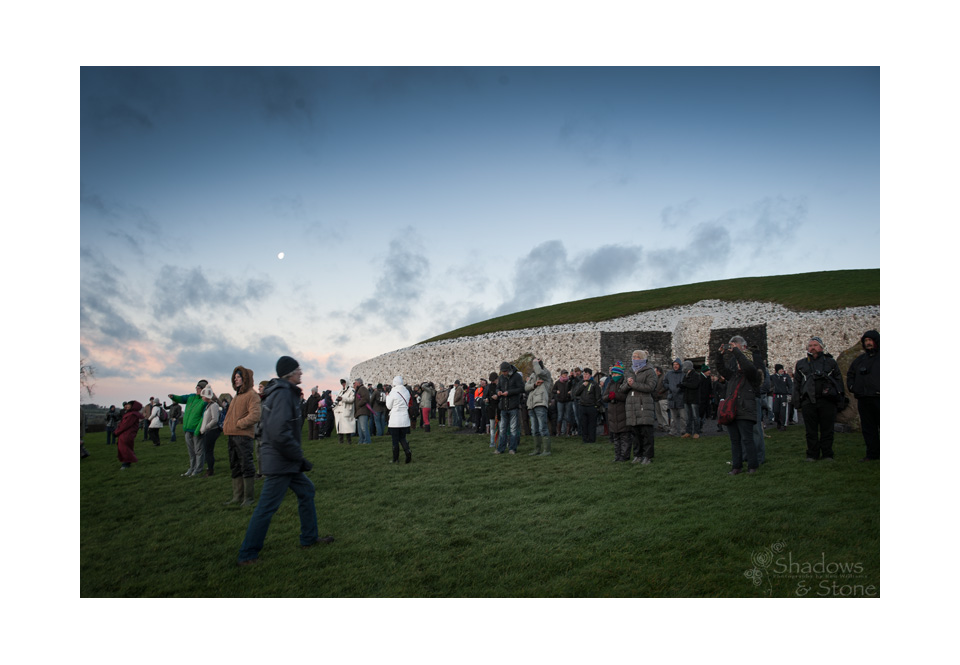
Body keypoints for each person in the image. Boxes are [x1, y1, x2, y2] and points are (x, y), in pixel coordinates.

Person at [237, 356, 334, 565]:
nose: (301, 372)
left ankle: (309, 537)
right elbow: (278, 432)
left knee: (307, 491)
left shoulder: (284, 392)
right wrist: (298, 457)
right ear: (289, 374)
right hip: (280, 461)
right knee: (266, 507)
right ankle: (247, 553)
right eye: (298, 369)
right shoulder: (282, 394)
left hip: (285, 460)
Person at [793, 336, 845, 462]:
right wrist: (797, 401)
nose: (813, 348)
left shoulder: (831, 363)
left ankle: (827, 454)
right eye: (810, 346)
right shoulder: (801, 364)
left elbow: (839, 381)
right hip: (808, 401)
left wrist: (840, 399)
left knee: (827, 429)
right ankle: (812, 454)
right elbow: (797, 384)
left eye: (815, 345)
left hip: (827, 401)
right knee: (810, 430)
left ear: (821, 347)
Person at [716, 336, 763, 475]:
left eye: (740, 362)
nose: (738, 364)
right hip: (733, 410)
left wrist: (736, 351)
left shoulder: (752, 374)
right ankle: (736, 466)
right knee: (735, 440)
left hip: (745, 410)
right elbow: (721, 369)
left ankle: (752, 465)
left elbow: (747, 366)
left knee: (748, 439)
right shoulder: (734, 376)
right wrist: (719, 355)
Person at [222, 365, 261, 503]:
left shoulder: (252, 395)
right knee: (235, 465)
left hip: (243, 436)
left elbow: (255, 415)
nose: (235, 379)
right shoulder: (237, 395)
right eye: (235, 377)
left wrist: (240, 424)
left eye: (238, 377)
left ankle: (248, 498)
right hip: (232, 435)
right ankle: (237, 497)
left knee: (246, 465)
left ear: (245, 379)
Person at [847, 330, 880, 462]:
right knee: (868, 428)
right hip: (864, 398)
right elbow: (851, 374)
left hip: (879, 397)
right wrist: (852, 387)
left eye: (870, 340)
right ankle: (872, 454)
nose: (868, 343)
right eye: (866, 341)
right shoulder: (860, 360)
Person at [622, 350, 657, 464]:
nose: (634, 358)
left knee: (646, 433)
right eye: (633, 356)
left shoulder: (649, 371)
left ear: (642, 358)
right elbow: (622, 388)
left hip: (644, 405)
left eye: (636, 357)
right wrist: (628, 384)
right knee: (636, 434)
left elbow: (650, 387)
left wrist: (634, 384)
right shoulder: (630, 371)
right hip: (632, 406)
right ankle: (637, 455)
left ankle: (647, 456)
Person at [168, 380, 210, 477]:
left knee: (198, 451)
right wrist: (173, 397)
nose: (197, 389)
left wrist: (198, 430)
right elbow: (181, 398)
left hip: (196, 430)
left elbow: (203, 417)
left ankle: (198, 469)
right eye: (197, 388)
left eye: (199, 388)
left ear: (203, 390)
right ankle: (192, 468)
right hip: (187, 429)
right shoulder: (191, 397)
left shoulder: (205, 401)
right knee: (191, 451)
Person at [525, 357, 553, 456]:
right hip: (531, 404)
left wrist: (535, 362)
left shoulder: (546, 373)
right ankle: (537, 449)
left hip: (540, 403)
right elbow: (526, 387)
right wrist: (534, 384)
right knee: (534, 429)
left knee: (542, 428)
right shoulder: (533, 376)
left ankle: (546, 450)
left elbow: (539, 372)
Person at [495, 362, 525, 454]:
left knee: (513, 429)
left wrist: (509, 392)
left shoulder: (517, 376)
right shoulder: (501, 378)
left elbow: (522, 388)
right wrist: (498, 391)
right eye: (502, 372)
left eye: (505, 371)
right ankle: (500, 448)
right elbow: (497, 387)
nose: (503, 373)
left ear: (509, 370)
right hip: (503, 406)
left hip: (513, 406)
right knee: (502, 429)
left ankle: (512, 448)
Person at [604, 362, 631, 462]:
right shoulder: (610, 383)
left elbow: (626, 397)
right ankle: (617, 455)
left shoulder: (624, 383)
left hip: (622, 412)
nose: (613, 375)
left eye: (615, 374)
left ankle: (624, 455)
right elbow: (604, 397)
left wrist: (616, 396)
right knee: (616, 437)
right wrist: (609, 397)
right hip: (613, 412)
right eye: (612, 374)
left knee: (624, 437)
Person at [386, 375, 413, 464]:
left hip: (395, 419)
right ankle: (407, 451)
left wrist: (387, 397)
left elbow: (389, 406)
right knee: (402, 438)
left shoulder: (393, 392)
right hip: (404, 418)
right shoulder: (407, 392)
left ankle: (395, 459)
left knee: (395, 440)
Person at [197, 387, 222, 477]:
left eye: (203, 396)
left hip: (212, 431)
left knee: (208, 451)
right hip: (208, 431)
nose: (202, 397)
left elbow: (215, 419)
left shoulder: (213, 405)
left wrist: (206, 427)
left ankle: (210, 470)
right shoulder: (209, 405)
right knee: (207, 451)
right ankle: (209, 468)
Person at [114, 400, 143, 470]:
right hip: (127, 433)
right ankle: (127, 462)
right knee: (126, 448)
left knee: (125, 449)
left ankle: (125, 464)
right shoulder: (131, 414)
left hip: (127, 434)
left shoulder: (132, 415)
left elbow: (125, 425)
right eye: (126, 405)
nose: (126, 406)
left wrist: (116, 432)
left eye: (128, 405)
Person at [573, 368, 600, 443]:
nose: (585, 376)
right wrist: (583, 386)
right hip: (582, 406)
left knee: (592, 424)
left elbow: (598, 396)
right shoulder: (581, 383)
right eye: (584, 374)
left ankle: (592, 439)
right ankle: (585, 439)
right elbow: (576, 393)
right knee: (583, 424)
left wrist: (596, 406)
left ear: (590, 375)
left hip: (591, 406)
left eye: (586, 374)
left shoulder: (594, 384)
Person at [680, 360, 702, 439]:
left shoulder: (696, 375)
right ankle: (688, 431)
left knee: (695, 417)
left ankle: (696, 432)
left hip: (694, 398)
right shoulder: (686, 375)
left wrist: (684, 384)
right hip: (687, 398)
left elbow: (694, 385)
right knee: (688, 417)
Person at [665, 359, 686, 436]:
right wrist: (669, 387)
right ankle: (673, 431)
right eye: (674, 364)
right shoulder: (669, 374)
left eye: (677, 364)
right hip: (672, 397)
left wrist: (681, 387)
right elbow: (665, 382)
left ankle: (683, 430)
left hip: (681, 397)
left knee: (683, 417)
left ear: (680, 365)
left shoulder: (683, 374)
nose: (675, 366)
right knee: (673, 417)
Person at [770, 364, 793, 431]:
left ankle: (783, 425)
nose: (782, 370)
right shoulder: (773, 377)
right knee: (776, 411)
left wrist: (789, 394)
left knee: (783, 411)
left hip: (784, 396)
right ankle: (778, 421)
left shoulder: (786, 377)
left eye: (782, 369)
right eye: (780, 369)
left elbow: (790, 385)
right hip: (776, 396)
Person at [333, 379, 356, 444]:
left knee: (347, 427)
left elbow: (352, 399)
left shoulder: (351, 390)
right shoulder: (340, 391)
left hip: (346, 410)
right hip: (339, 411)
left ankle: (349, 441)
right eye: (342, 383)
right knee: (339, 426)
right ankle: (341, 441)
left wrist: (342, 399)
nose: (343, 384)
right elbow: (336, 400)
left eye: (344, 383)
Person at [353, 378, 372, 444]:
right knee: (360, 429)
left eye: (355, 383)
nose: (354, 384)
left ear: (359, 383)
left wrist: (358, 404)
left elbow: (365, 398)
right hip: (359, 412)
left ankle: (367, 440)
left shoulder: (362, 389)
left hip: (363, 411)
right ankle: (361, 440)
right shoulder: (359, 390)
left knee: (363, 427)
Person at [653, 367, 670, 432]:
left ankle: (666, 426)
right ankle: (660, 425)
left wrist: (660, 392)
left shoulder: (664, 377)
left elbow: (666, 386)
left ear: (658, 371)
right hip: (657, 397)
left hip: (663, 397)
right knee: (658, 413)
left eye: (655, 371)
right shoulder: (657, 378)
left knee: (663, 412)